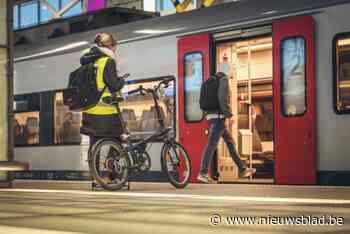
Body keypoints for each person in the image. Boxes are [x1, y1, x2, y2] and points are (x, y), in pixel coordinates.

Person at [197, 72, 256, 183]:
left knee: (230, 142)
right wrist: (229, 115)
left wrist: (208, 115)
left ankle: (242, 169)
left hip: (210, 117)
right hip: (219, 118)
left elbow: (201, 102)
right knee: (211, 145)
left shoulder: (207, 83)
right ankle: (202, 173)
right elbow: (222, 99)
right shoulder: (224, 80)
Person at [80, 33, 126, 151]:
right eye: (114, 46)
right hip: (106, 111)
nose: (115, 49)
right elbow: (114, 86)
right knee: (117, 138)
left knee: (94, 144)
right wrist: (121, 80)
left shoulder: (89, 61)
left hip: (89, 111)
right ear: (110, 46)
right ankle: (114, 167)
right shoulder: (107, 61)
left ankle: (94, 168)